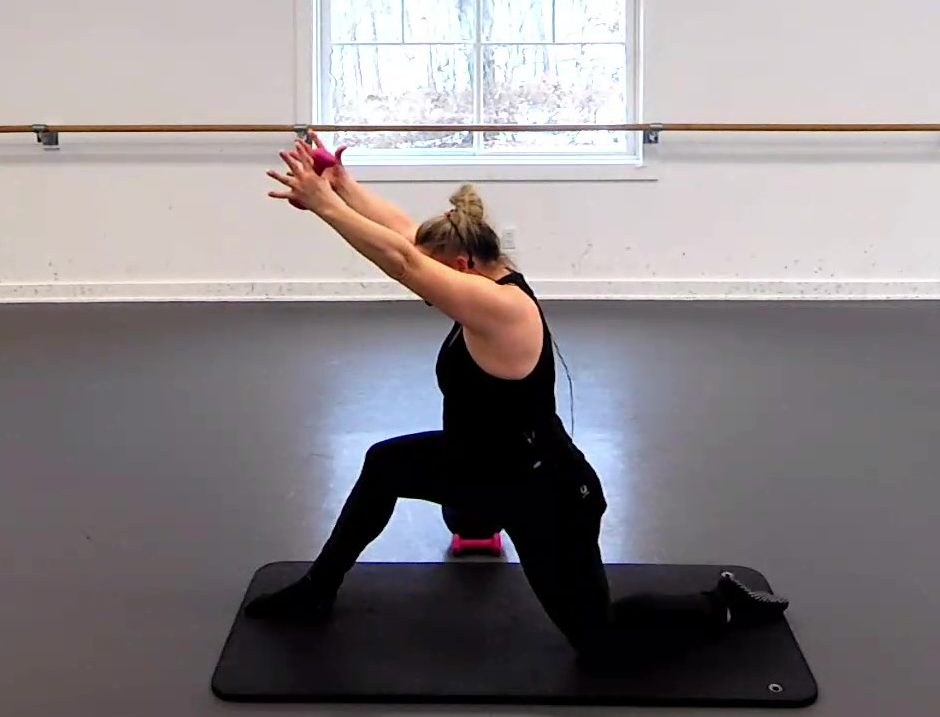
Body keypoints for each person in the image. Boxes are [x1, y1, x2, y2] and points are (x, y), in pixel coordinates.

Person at [248, 133, 790, 669]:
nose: (430, 283)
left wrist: (322, 206)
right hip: (478, 464)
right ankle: (318, 589)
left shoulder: (503, 308)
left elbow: (405, 262)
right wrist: (343, 186)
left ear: (462, 266)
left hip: (542, 491)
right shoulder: (472, 264)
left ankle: (722, 604)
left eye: (439, 271)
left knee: (599, 641)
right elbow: (405, 236)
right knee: (385, 464)